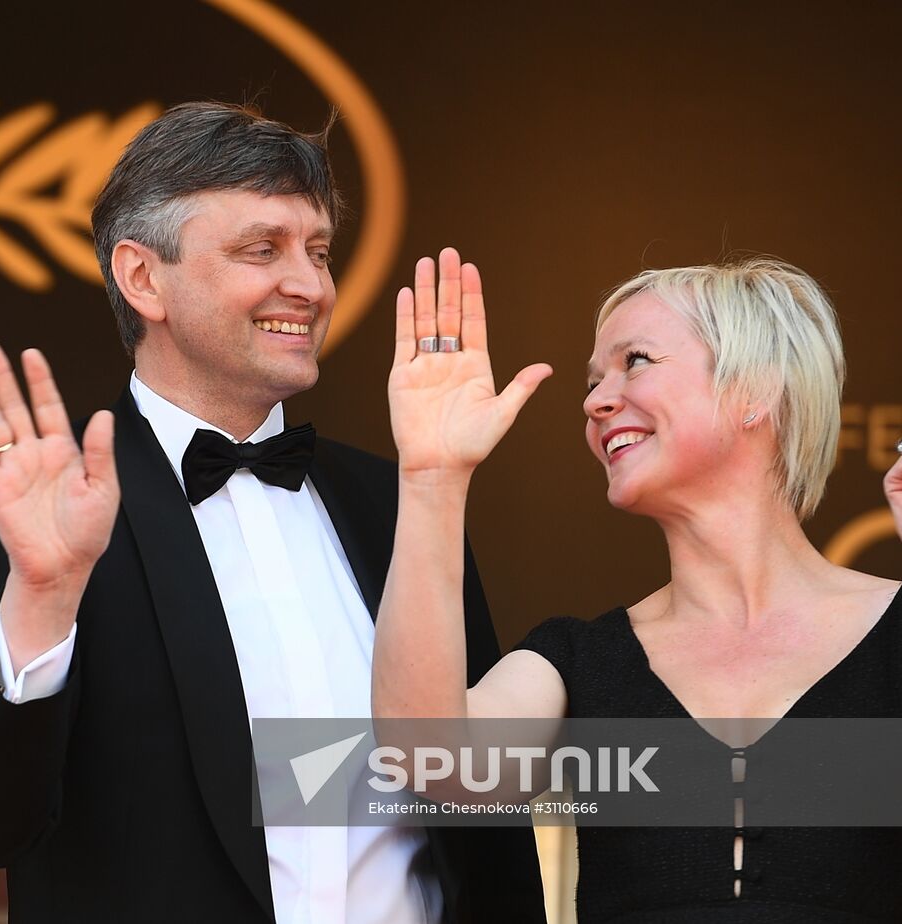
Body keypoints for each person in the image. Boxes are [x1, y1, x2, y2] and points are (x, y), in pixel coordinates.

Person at [0, 103, 545, 923]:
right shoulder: (42, 499)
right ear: (144, 278)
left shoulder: (398, 497)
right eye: (261, 249)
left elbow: (483, 817)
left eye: (318, 251)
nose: (310, 285)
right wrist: (45, 598)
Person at [371, 249, 902, 921]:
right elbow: (434, 762)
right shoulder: (579, 660)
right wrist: (432, 474)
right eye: (594, 380)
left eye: (636, 362)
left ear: (756, 390)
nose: (595, 401)